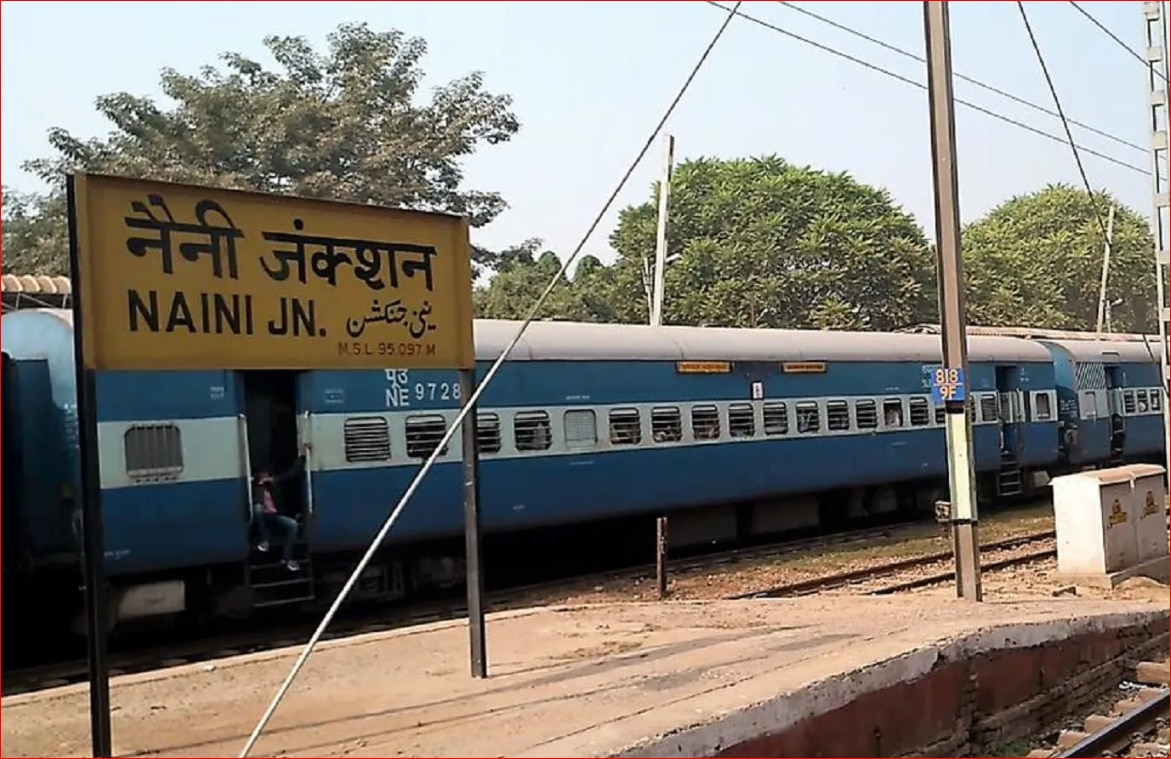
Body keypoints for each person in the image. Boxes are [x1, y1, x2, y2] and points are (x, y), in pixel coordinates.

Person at [252, 444, 311, 572]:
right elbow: (256, 501)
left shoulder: (274, 486)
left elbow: (292, 473)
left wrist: (302, 456)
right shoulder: (254, 489)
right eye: (262, 475)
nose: (265, 476)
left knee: (292, 525)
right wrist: (259, 486)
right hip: (264, 519)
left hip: (275, 518)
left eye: (266, 474)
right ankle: (264, 540)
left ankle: (287, 558)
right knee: (257, 508)